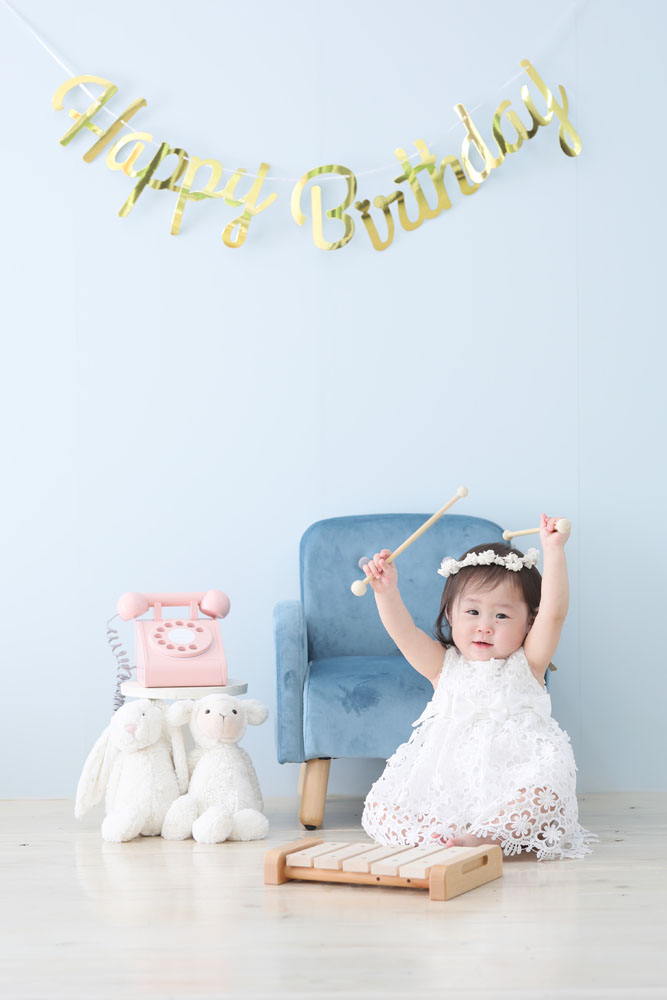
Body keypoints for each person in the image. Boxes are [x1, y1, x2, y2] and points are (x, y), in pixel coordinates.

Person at [360, 514, 595, 860]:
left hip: (515, 774)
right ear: (451, 615)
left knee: (547, 793)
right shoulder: (443, 666)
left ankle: (486, 836)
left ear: (529, 622)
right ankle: (438, 834)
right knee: (384, 805)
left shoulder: (529, 663)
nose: (485, 626)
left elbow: (554, 613)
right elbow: (404, 633)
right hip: (451, 778)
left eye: (501, 616)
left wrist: (553, 550)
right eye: (472, 612)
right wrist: (385, 592)